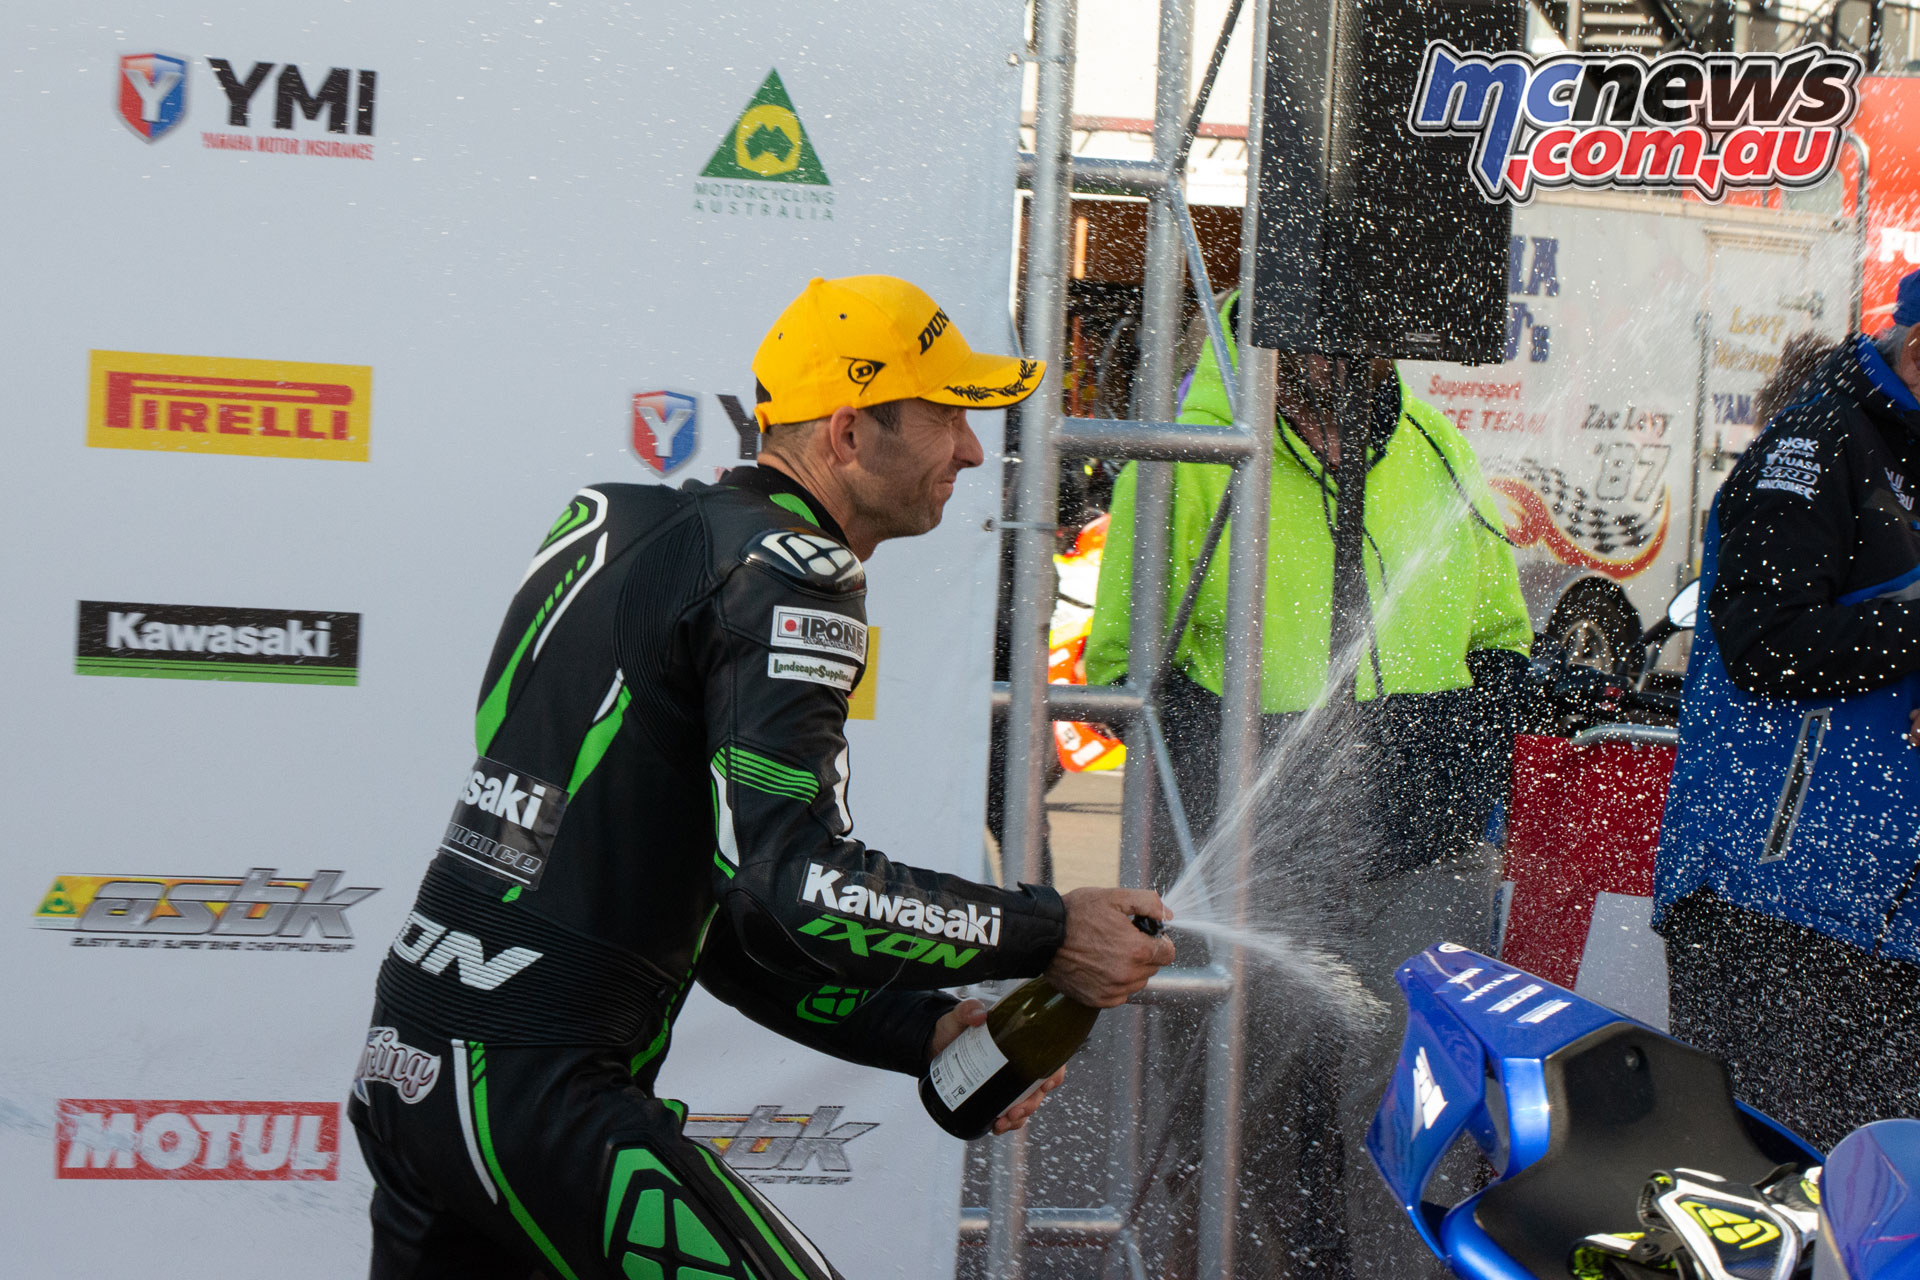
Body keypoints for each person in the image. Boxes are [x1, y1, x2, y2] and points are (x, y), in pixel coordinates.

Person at [348, 274, 1175, 1280]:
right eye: (947, 415)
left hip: (414, 1064)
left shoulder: (607, 523)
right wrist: (1053, 930)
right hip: (533, 1093)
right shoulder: (792, 572)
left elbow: (725, 920)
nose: (968, 449)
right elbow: (798, 891)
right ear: (847, 432)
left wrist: (923, 1027)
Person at [1086, 294, 1533, 1278]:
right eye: (1300, 355)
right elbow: (1122, 669)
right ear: (1260, 350)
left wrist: (1456, 754)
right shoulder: (1193, 463)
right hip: (1253, 856)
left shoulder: (1439, 448)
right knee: (1226, 1112)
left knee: (1418, 1110)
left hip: (1416, 852)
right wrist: (1236, 761)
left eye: (1351, 350)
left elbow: (1503, 636)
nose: (1324, 376)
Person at [1655, 270, 1920, 1153]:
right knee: (1763, 1203)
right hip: (1775, 906)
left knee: (1875, 1223)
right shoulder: (1815, 442)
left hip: (1887, 922)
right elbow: (1770, 647)